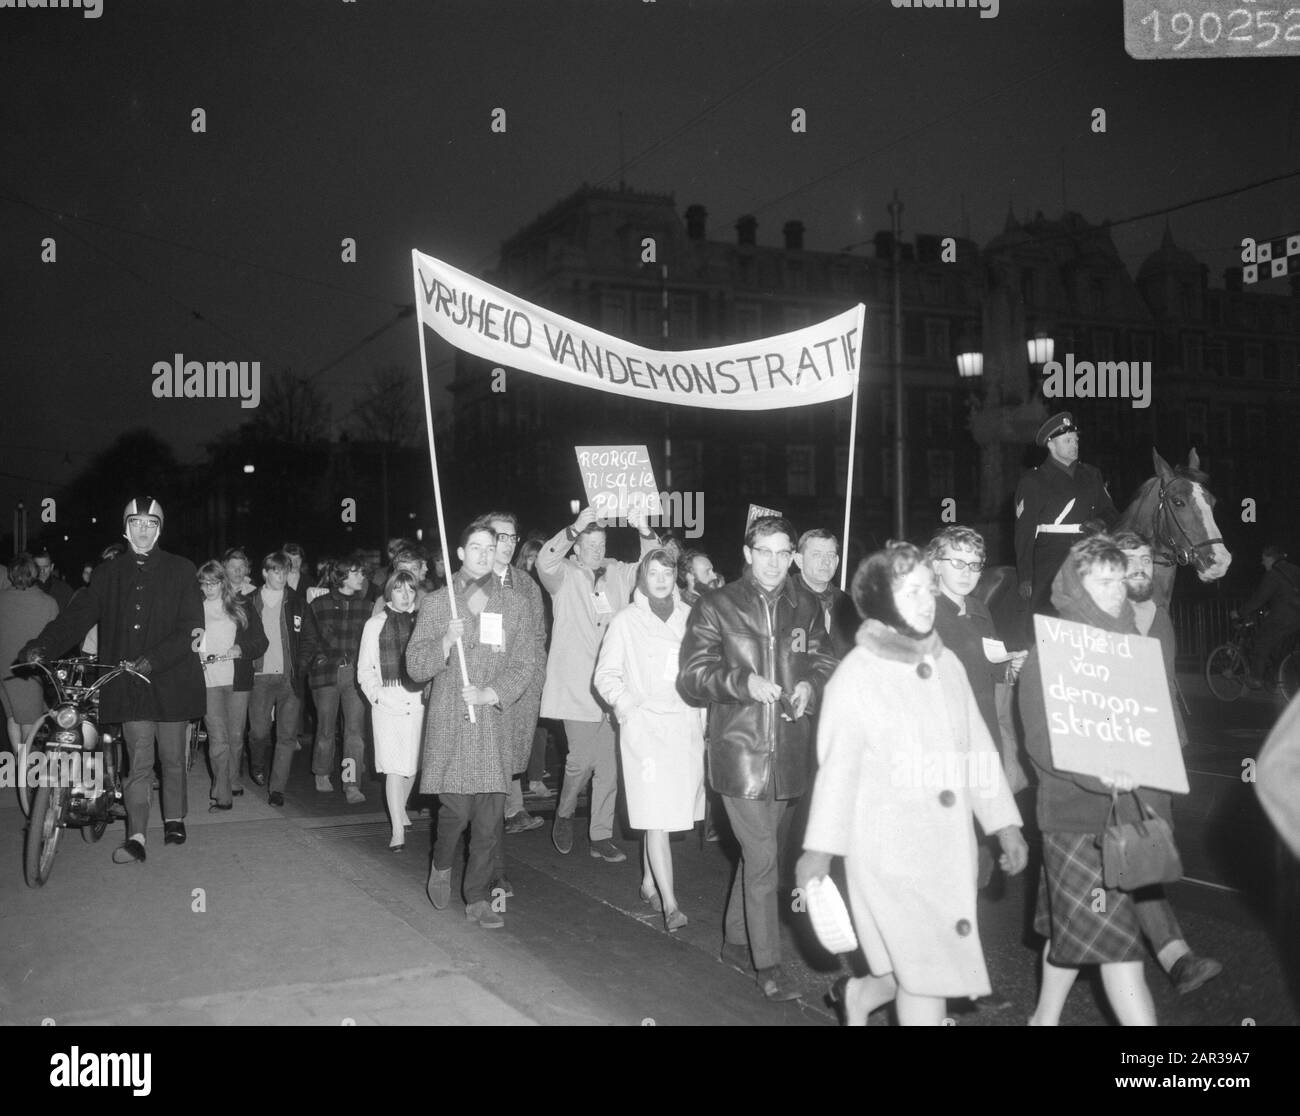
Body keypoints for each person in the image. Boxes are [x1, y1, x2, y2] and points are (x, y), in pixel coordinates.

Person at [795, 542, 1028, 1025]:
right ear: (881, 601)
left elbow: (978, 751)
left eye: (927, 589)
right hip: (889, 854)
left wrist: (1004, 823)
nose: (926, 601)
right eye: (911, 591)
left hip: (948, 850)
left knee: (922, 966)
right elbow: (837, 775)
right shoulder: (855, 678)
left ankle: (860, 997)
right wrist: (817, 854)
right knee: (928, 979)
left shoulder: (949, 667)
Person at [678, 515, 838, 1002]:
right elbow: (691, 677)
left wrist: (812, 681)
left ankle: (733, 940)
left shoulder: (804, 603)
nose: (773, 562)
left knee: (759, 855)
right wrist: (741, 683)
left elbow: (824, 657)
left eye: (782, 552)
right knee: (766, 858)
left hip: (790, 752)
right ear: (747, 554)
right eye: (763, 551)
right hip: (740, 754)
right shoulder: (716, 605)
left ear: (792, 556)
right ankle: (768, 965)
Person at [1019, 534, 1171, 1025]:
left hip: (1124, 823)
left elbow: (1148, 728)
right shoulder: (1050, 653)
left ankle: (1043, 1020)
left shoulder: (1132, 646)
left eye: (1119, 579)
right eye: (1101, 581)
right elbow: (1042, 743)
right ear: (1076, 586)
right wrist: (1099, 772)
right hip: (1076, 824)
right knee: (1120, 951)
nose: (1115, 590)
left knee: (1074, 934)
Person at [21, 498, 206, 863]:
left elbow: (190, 629)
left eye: (151, 523)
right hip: (129, 681)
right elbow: (77, 617)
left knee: (170, 757)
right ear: (125, 527)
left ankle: (173, 817)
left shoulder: (182, 569)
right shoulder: (108, 574)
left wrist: (152, 660)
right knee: (138, 759)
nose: (143, 529)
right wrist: (41, 646)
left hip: (172, 677)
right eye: (136, 522)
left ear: (159, 529)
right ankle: (137, 835)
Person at [406, 518, 539, 929]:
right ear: (458, 554)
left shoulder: (515, 604)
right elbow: (414, 666)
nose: (483, 553)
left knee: (488, 821)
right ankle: (441, 863)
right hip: (451, 722)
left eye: (490, 546)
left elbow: (524, 663)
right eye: (475, 547)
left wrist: (492, 693)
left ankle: (477, 897)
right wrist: (445, 641)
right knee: (456, 813)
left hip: (495, 720)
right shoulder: (436, 604)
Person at [1112, 530, 1222, 994]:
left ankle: (1107, 928)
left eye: (1144, 558)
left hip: (1158, 748)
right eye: (1128, 559)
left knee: (1155, 845)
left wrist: (1173, 743)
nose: (1140, 566)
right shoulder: (1097, 615)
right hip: (1116, 751)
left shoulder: (1161, 615)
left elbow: (1165, 681)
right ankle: (1176, 957)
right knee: (1141, 851)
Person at [538, 504, 659, 863]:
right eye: (588, 544)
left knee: (608, 765)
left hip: (613, 684)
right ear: (577, 548)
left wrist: (645, 531)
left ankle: (600, 835)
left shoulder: (619, 573)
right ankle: (563, 813)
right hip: (575, 685)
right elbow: (544, 560)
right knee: (580, 759)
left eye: (600, 543)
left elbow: (652, 567)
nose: (595, 550)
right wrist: (573, 527)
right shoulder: (563, 574)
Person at [595, 549, 705, 931]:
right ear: (642, 576)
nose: (660, 579)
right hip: (645, 731)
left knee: (664, 811)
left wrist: (704, 717)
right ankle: (671, 905)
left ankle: (647, 882)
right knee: (656, 815)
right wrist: (628, 705)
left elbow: (701, 673)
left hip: (683, 727)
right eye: (653, 572)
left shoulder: (691, 618)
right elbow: (605, 676)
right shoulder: (625, 622)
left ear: (676, 576)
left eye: (667, 572)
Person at [925, 526, 1028, 796]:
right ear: (936, 564)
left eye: (974, 564)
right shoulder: (921, 613)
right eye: (957, 562)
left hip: (983, 732)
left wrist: (1010, 667)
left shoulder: (980, 610)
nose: (966, 571)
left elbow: (992, 669)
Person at [1014, 412, 1119, 625]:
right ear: (1051, 445)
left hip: (1089, 555)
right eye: (1068, 440)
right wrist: (1026, 576)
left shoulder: (1091, 475)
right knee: (1048, 619)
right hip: (1050, 560)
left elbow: (1111, 513)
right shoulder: (1033, 480)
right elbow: (1024, 532)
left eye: (1076, 440)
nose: (1075, 445)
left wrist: (1100, 522)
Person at [358, 569, 425, 849]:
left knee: (411, 767)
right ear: (390, 592)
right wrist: (379, 696)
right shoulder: (375, 624)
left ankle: (400, 811)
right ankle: (397, 829)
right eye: (399, 589)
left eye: (410, 589)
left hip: (416, 699)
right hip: (387, 701)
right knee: (394, 768)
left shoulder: (422, 622)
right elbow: (364, 669)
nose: (405, 595)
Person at [299, 553, 372, 805]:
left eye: (362, 572)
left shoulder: (367, 607)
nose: (362, 576)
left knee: (354, 733)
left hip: (355, 675)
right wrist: (305, 669)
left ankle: (351, 784)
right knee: (326, 729)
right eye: (357, 572)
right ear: (342, 576)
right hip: (325, 674)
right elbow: (308, 641)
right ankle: (321, 772)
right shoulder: (319, 605)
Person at [196, 560, 268, 810]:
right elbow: (186, 643)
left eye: (213, 582)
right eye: (204, 583)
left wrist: (241, 649)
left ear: (222, 582)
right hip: (208, 682)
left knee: (236, 736)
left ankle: (232, 779)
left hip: (238, 681)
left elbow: (261, 642)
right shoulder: (194, 609)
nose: (209, 588)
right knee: (218, 739)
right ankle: (223, 793)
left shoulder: (241, 605)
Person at [248, 550, 309, 805]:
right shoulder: (249, 601)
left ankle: (277, 790)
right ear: (264, 573)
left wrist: (301, 666)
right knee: (259, 732)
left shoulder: (296, 601)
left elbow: (309, 638)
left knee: (286, 736)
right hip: (259, 677)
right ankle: (257, 764)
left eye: (285, 571)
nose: (281, 576)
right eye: (276, 570)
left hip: (289, 678)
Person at [0, 554, 59, 755]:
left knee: (13, 717)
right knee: (29, 720)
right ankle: (24, 771)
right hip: (29, 669)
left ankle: (19, 765)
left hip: (3, 669)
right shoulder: (48, 603)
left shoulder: (2, 599)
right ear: (35, 574)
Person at [1230, 544, 1300, 690]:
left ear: (1270, 558)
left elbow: (1259, 599)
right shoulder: (1295, 570)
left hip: (1284, 618)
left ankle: (1256, 679)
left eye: (1264, 559)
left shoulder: (1273, 574)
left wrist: (1240, 612)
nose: (1262, 563)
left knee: (1261, 642)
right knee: (1279, 646)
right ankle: (1274, 677)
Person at [792, 529, 859, 659]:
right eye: (817, 555)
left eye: (831, 555)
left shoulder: (849, 605)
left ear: (837, 561)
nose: (826, 562)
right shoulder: (783, 599)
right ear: (799, 560)